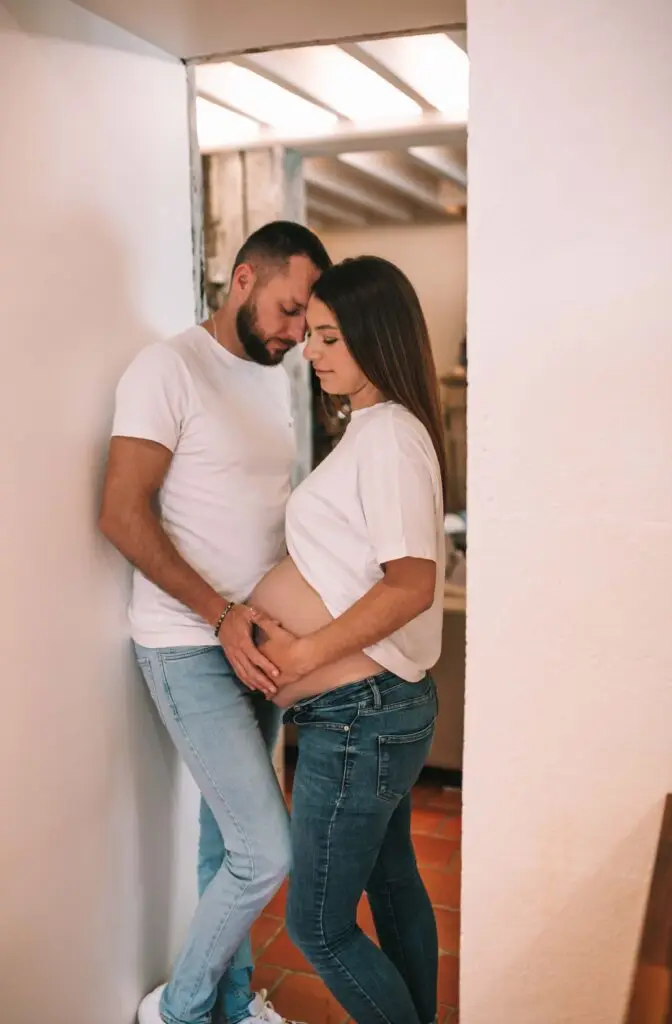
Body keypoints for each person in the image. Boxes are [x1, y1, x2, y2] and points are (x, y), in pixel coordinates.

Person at [98, 220, 332, 1024]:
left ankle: (231, 1007)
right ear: (242, 279)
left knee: (223, 847)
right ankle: (180, 1009)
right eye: (288, 309)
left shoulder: (271, 375)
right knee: (267, 850)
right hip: (189, 644)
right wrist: (222, 615)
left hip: (258, 644)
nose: (296, 333)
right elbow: (122, 514)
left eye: (305, 320)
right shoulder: (168, 368)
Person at [246, 256, 446, 1024]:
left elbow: (409, 583)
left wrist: (300, 653)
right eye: (311, 334)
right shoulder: (375, 429)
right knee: (392, 883)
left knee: (317, 928)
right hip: (369, 710)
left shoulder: (389, 434)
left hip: (359, 715)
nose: (310, 350)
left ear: (375, 336)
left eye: (329, 336)